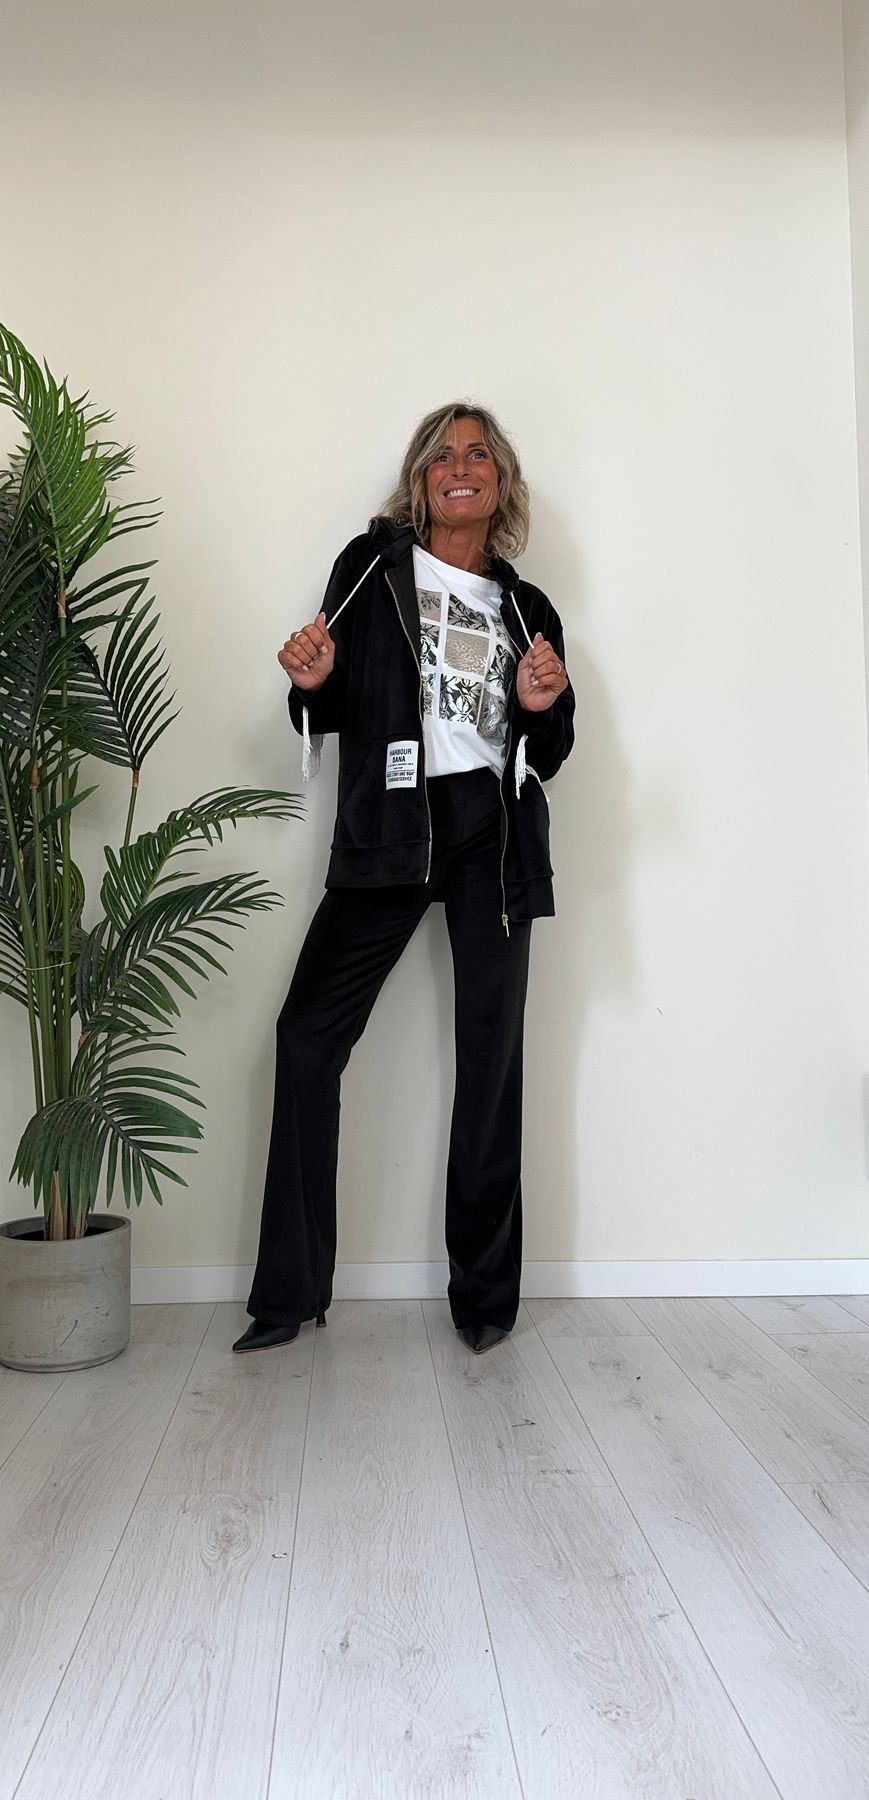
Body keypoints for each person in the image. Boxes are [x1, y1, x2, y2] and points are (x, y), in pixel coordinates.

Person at [233, 400, 574, 1356]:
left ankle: (484, 1301)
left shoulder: (527, 608)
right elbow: (335, 694)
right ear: (420, 480)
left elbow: (549, 749)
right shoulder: (370, 566)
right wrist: (311, 682)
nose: (459, 467)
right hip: (390, 826)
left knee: (490, 1064)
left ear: (499, 481)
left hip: (491, 839)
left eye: (478, 455)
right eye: (441, 456)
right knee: (307, 1038)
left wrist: (537, 707)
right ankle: (289, 1294)